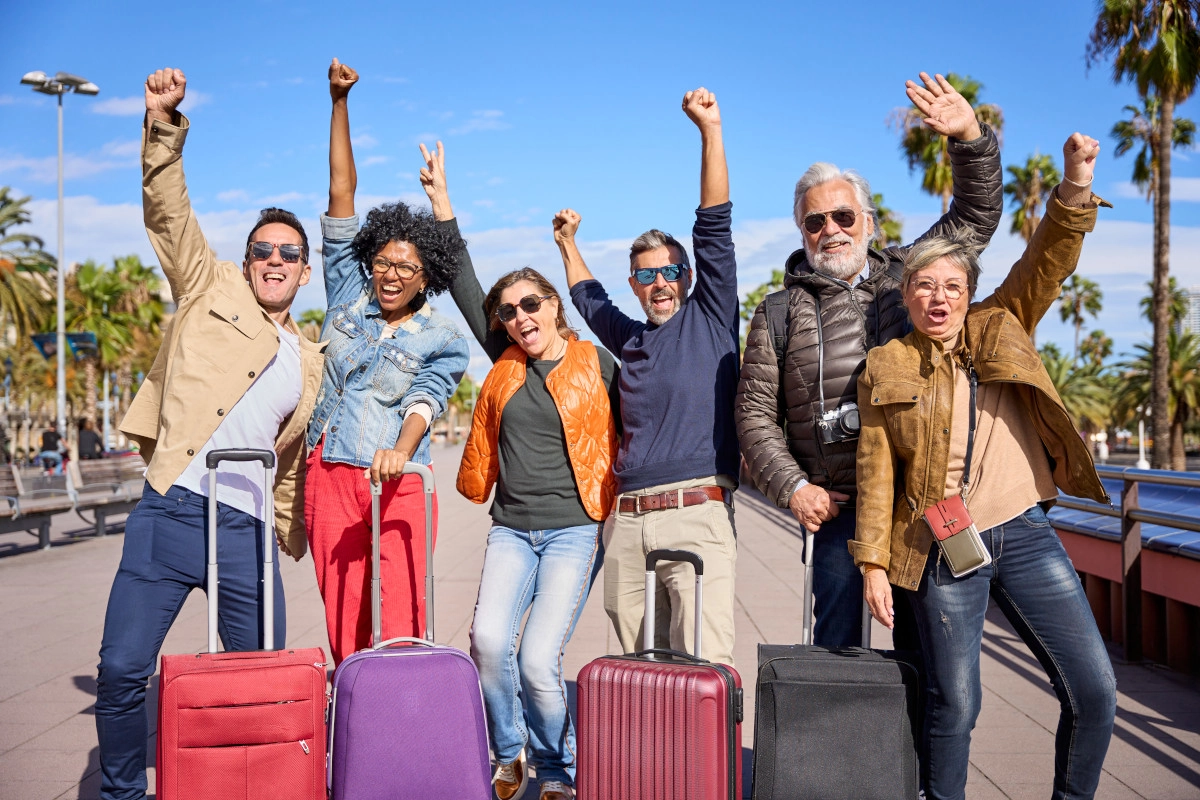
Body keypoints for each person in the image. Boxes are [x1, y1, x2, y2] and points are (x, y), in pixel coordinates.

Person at [854, 132, 1116, 800]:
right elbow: (876, 469)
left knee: (1094, 689)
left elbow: (1047, 260)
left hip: (1024, 531)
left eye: (952, 285)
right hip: (939, 543)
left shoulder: (1001, 323)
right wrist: (874, 564)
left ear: (968, 291)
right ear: (905, 297)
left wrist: (1076, 184)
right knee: (956, 705)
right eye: (923, 287)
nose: (938, 298)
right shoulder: (888, 364)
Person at [96, 67, 325, 800]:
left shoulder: (310, 357)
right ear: (248, 258)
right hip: (172, 508)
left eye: (290, 254)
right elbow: (168, 211)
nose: (275, 262)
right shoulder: (209, 283)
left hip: (249, 531)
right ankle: (125, 792)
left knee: (259, 681)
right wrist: (162, 124)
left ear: (305, 271)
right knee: (123, 668)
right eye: (264, 250)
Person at [736, 72, 1002, 648]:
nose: (830, 230)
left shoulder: (912, 276)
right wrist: (792, 488)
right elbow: (755, 413)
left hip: (928, 501)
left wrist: (969, 139)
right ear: (802, 232)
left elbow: (976, 216)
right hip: (840, 513)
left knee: (939, 664)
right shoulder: (778, 311)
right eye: (815, 221)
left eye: (843, 217)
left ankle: (925, 743)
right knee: (835, 658)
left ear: (868, 220)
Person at [434, 138, 619, 800]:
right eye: (508, 312)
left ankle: (556, 768)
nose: (518, 318)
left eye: (530, 305)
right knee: (488, 643)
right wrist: (443, 207)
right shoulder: (506, 361)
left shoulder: (598, 364)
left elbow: (646, 422)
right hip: (512, 527)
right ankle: (509, 753)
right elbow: (462, 281)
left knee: (540, 659)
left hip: (575, 528)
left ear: (554, 306)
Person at [563, 88, 738, 667]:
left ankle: (709, 763)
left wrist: (709, 130)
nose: (660, 283)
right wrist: (566, 243)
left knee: (702, 667)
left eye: (670, 271)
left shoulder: (711, 318)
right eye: (646, 276)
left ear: (686, 275)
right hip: (630, 519)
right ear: (635, 284)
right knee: (641, 674)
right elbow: (589, 302)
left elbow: (713, 225)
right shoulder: (631, 339)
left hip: (697, 511)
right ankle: (652, 762)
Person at [305, 59, 468, 666]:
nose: (392, 274)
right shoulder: (349, 295)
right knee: (344, 616)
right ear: (371, 259)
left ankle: (402, 720)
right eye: (384, 261)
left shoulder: (441, 334)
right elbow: (340, 196)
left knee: (401, 615)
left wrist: (401, 447)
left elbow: (427, 397)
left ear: (428, 275)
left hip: (397, 478)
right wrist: (339, 102)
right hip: (330, 473)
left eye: (408, 267)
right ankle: (354, 718)